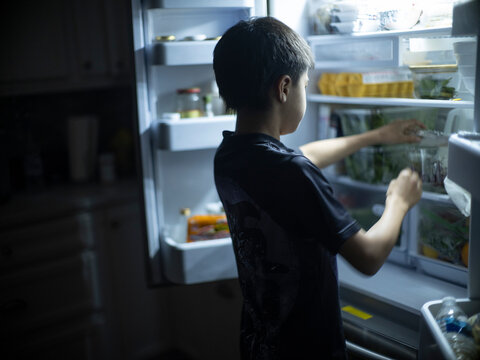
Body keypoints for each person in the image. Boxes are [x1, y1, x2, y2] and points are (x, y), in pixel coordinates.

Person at [213, 16, 423, 360]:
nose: (305, 93)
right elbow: (368, 257)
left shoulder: (229, 155)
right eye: (305, 85)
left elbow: (301, 157)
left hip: (259, 344)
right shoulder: (293, 173)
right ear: (283, 88)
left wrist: (375, 136)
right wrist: (398, 201)